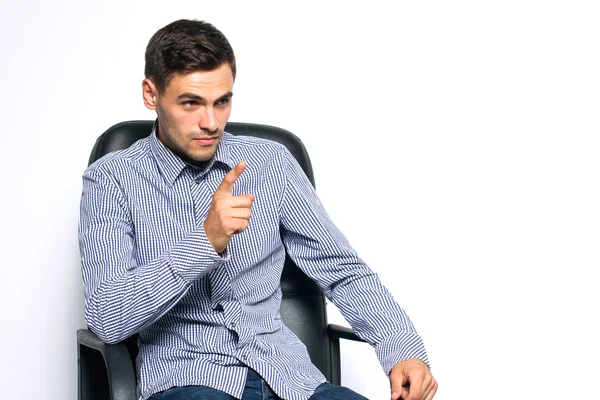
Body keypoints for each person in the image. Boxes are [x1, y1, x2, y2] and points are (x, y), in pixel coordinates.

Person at [79, 19, 438, 400]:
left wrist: (402, 349)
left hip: (289, 377)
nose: (210, 122)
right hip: (190, 379)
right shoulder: (111, 179)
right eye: (191, 103)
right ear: (151, 94)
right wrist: (205, 242)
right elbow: (108, 316)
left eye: (222, 101)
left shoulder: (271, 164)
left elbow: (341, 268)